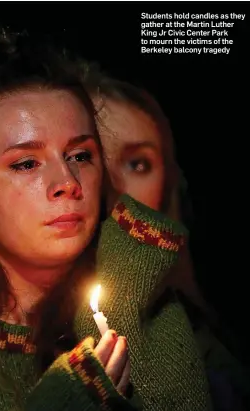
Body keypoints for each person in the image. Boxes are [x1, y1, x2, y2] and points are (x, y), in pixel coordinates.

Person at [0, 27, 210, 411]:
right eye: (26, 163)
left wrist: (130, 301)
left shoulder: (142, 299)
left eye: (80, 156)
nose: (67, 183)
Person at [77, 64, 250, 410]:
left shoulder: (211, 362)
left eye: (137, 164)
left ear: (167, 185)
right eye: (85, 157)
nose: (112, 184)